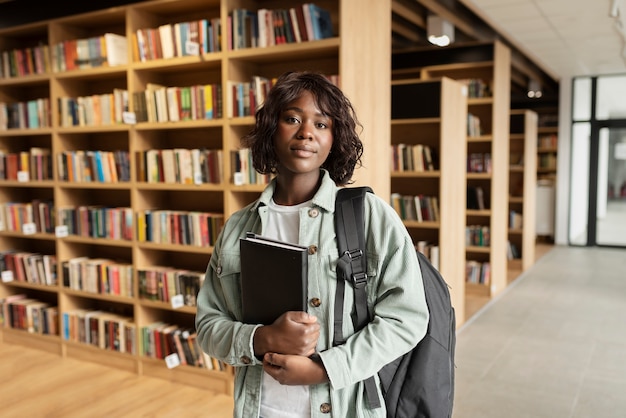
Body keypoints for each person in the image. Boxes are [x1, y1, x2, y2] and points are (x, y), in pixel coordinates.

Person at [195, 71, 429, 418]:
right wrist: (264, 339)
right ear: (272, 129)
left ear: (335, 138)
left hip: (344, 407)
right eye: (292, 118)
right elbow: (208, 326)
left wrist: (324, 369)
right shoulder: (238, 227)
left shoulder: (369, 216)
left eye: (321, 124)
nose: (306, 132)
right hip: (259, 408)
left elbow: (406, 320)